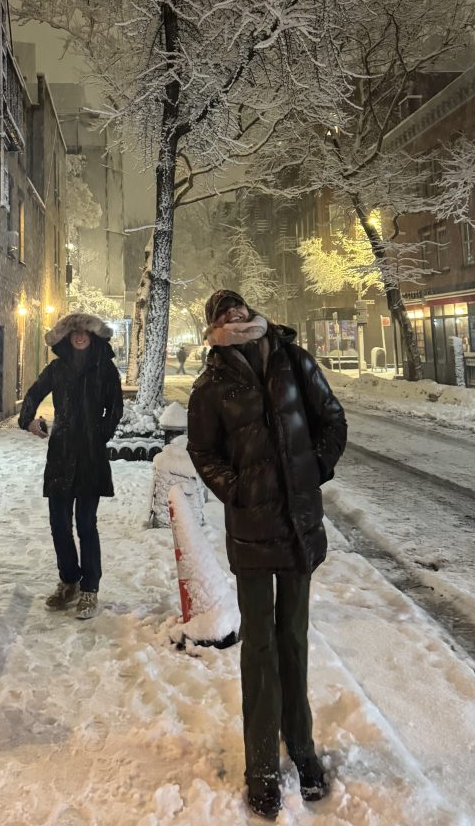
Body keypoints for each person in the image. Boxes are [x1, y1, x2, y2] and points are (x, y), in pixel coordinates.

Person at [187, 289, 347, 819]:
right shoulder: (211, 385)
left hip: (299, 526)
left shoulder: (292, 359)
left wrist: (313, 470)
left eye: (240, 308)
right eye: (223, 313)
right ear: (214, 327)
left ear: (251, 314)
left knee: (294, 638)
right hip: (252, 529)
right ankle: (260, 764)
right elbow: (202, 450)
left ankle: (300, 747)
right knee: (258, 647)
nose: (235, 315)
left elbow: (332, 419)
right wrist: (235, 488)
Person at [19, 312, 123, 621]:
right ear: (67, 337)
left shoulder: (105, 369)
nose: (79, 337)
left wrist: (98, 434)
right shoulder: (57, 368)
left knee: (86, 524)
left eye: (85, 333)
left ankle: (90, 587)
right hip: (62, 453)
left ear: (92, 337)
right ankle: (69, 580)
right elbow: (34, 394)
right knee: (58, 524)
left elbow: (115, 409)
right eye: (74, 332)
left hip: (90, 457)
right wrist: (29, 421)